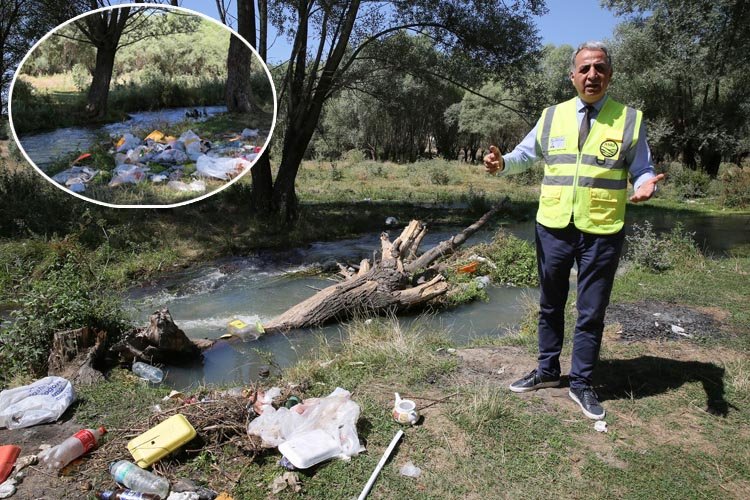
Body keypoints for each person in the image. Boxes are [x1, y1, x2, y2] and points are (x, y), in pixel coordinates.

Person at [483, 41, 664, 420]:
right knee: (550, 303)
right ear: (572, 76)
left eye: (599, 68)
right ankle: (548, 371)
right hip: (553, 226)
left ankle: (581, 383)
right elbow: (523, 156)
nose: (592, 75)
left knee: (591, 310)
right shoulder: (552, 116)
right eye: (584, 69)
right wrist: (501, 164)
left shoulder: (630, 118)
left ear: (610, 75)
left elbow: (643, 168)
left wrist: (646, 183)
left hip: (602, 228)